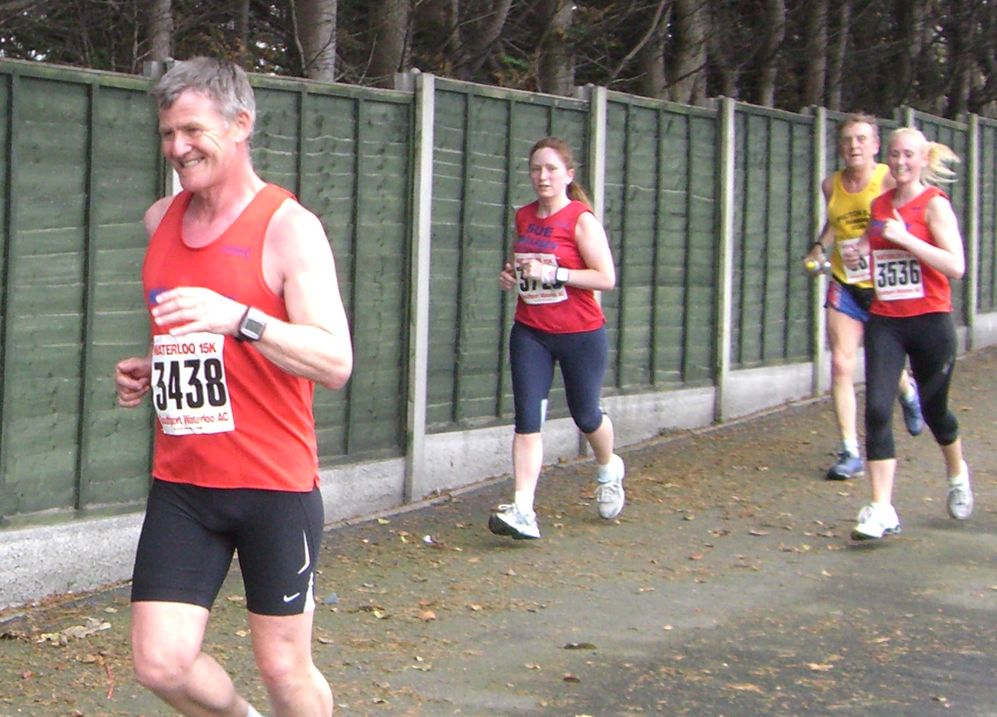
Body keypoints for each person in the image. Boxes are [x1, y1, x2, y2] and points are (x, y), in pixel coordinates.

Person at [114, 57, 352, 717]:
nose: (177, 147)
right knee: (160, 661)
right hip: (185, 484)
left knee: (283, 667)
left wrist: (240, 319)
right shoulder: (160, 218)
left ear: (241, 123)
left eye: (192, 129)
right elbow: (194, 341)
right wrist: (153, 363)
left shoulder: (287, 227)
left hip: (273, 485)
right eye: (167, 133)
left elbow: (335, 360)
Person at [488, 137, 624, 541]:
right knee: (528, 419)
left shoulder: (580, 219)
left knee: (586, 415)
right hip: (531, 332)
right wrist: (511, 276)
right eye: (535, 169)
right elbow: (525, 266)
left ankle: (608, 469)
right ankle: (523, 509)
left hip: (581, 333)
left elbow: (606, 278)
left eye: (550, 169)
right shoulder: (524, 217)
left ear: (568, 174)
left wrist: (559, 276)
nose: (542, 176)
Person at [842, 127, 973, 540]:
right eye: (895, 155)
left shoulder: (935, 206)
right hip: (887, 320)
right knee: (878, 409)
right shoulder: (880, 204)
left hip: (931, 321)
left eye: (908, 156)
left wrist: (907, 239)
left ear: (923, 159)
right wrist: (859, 249)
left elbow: (956, 266)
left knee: (935, 412)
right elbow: (873, 239)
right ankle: (881, 509)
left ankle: (956, 474)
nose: (900, 163)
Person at [804, 113, 924, 481]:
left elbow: (908, 221)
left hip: (884, 286)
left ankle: (908, 391)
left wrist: (873, 243)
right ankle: (849, 451)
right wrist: (818, 249)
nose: (853, 146)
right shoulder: (831, 184)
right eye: (847, 140)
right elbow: (833, 224)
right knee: (841, 364)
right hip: (845, 281)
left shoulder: (888, 178)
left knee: (883, 359)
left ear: (875, 146)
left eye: (860, 139)